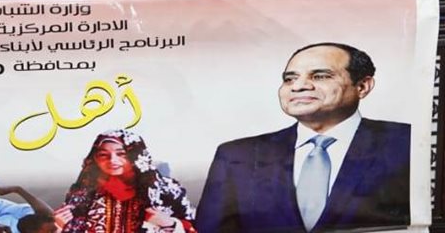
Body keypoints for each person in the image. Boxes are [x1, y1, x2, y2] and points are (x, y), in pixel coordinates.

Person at [197, 43, 411, 233]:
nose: (298, 86)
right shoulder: (237, 156)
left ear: (362, 86)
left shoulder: (408, 143)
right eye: (289, 79)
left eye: (320, 76)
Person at [55, 130, 196, 233]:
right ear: (95, 159)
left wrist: (169, 224)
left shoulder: (165, 191)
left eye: (121, 154)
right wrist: (59, 227)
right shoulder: (84, 193)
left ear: (136, 156)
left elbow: (194, 228)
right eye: (103, 155)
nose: (112, 160)